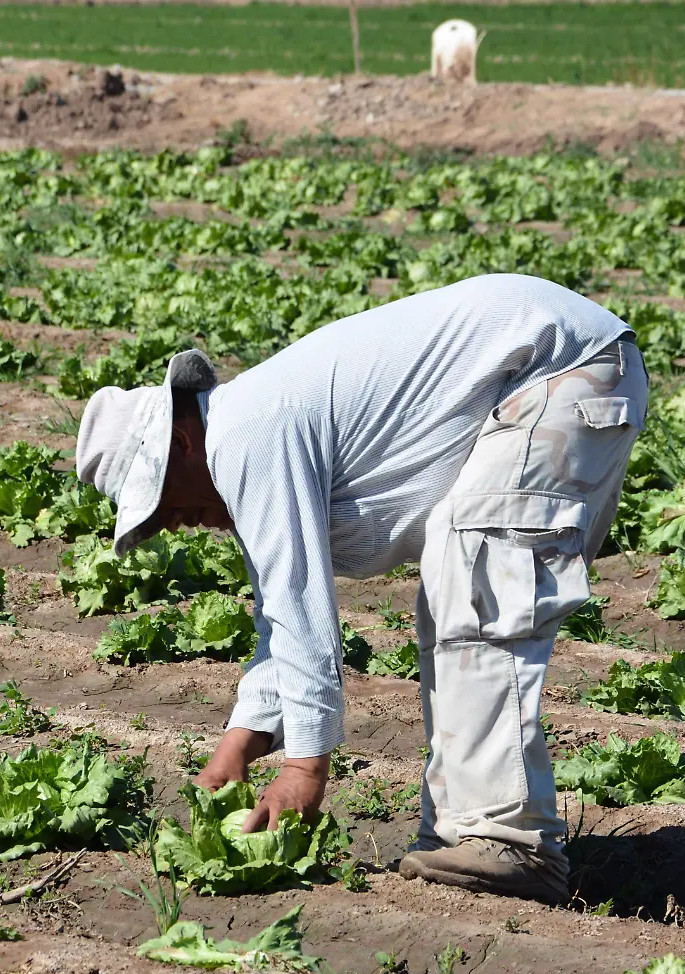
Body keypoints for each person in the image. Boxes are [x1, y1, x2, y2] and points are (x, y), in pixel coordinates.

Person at [73, 274, 647, 905]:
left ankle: (508, 843)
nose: (172, 523)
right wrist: (244, 738)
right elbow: (279, 614)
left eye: (160, 506)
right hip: (555, 367)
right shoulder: (241, 439)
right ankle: (465, 840)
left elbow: (301, 606)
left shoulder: (246, 437)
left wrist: (304, 768)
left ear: (182, 443)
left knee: (477, 576)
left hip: (561, 366)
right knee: (458, 579)